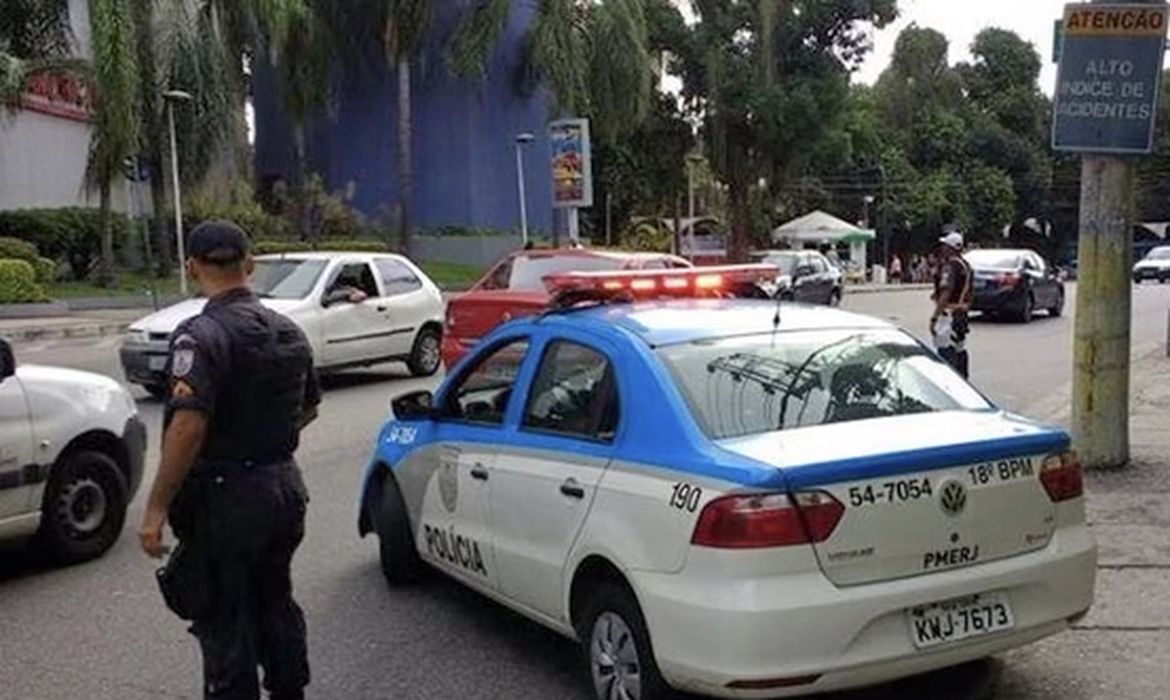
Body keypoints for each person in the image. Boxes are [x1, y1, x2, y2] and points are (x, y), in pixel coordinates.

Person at [139, 220, 320, 700]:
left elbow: (188, 426)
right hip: (283, 489)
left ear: (192, 267)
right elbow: (309, 408)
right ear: (250, 264)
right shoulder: (289, 332)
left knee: (226, 618)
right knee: (275, 599)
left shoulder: (200, 334)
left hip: (226, 501)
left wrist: (156, 508)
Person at [931, 231, 974, 378]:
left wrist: (934, 317)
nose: (942, 249)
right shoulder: (966, 266)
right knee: (959, 348)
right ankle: (963, 383)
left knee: (945, 351)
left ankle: (949, 386)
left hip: (948, 314)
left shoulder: (950, 266)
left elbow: (946, 292)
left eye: (945, 246)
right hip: (961, 314)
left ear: (950, 248)